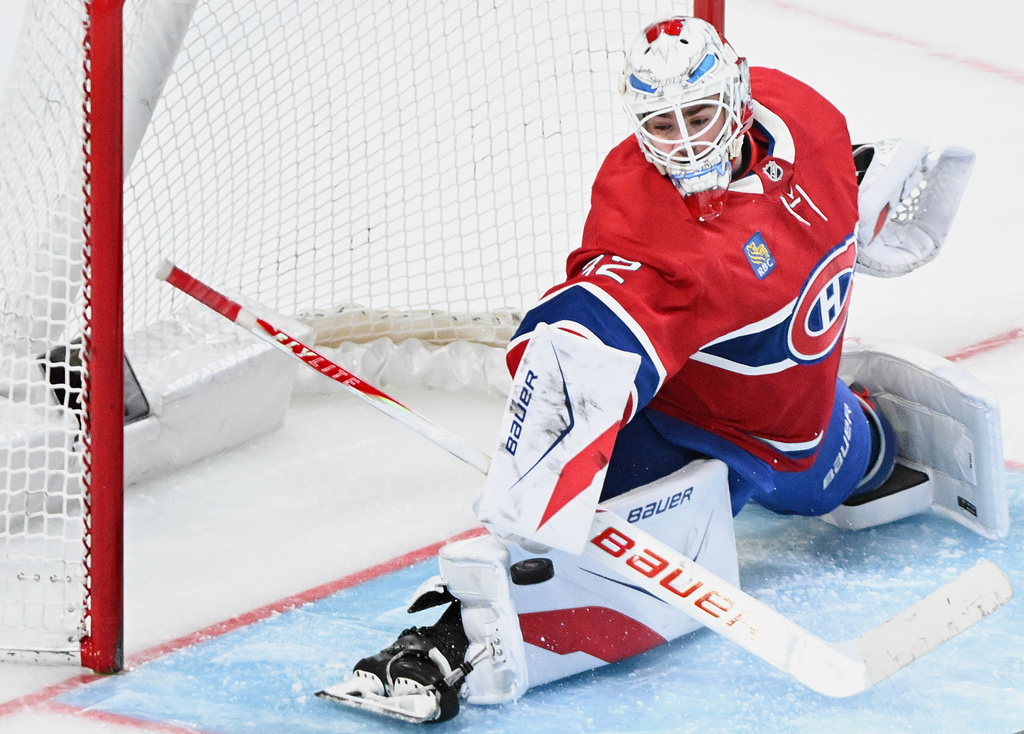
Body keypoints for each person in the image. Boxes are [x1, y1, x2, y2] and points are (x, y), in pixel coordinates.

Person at [319, 15, 985, 723]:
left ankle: (871, 438)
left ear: (741, 95)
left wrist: (863, 205)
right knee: (554, 544)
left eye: (699, 113)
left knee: (859, 469)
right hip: (688, 423)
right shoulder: (656, 229)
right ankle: (439, 647)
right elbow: (601, 309)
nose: (686, 139)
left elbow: (815, 190)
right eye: (662, 125)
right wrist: (559, 366)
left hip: (803, 429)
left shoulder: (805, 114)